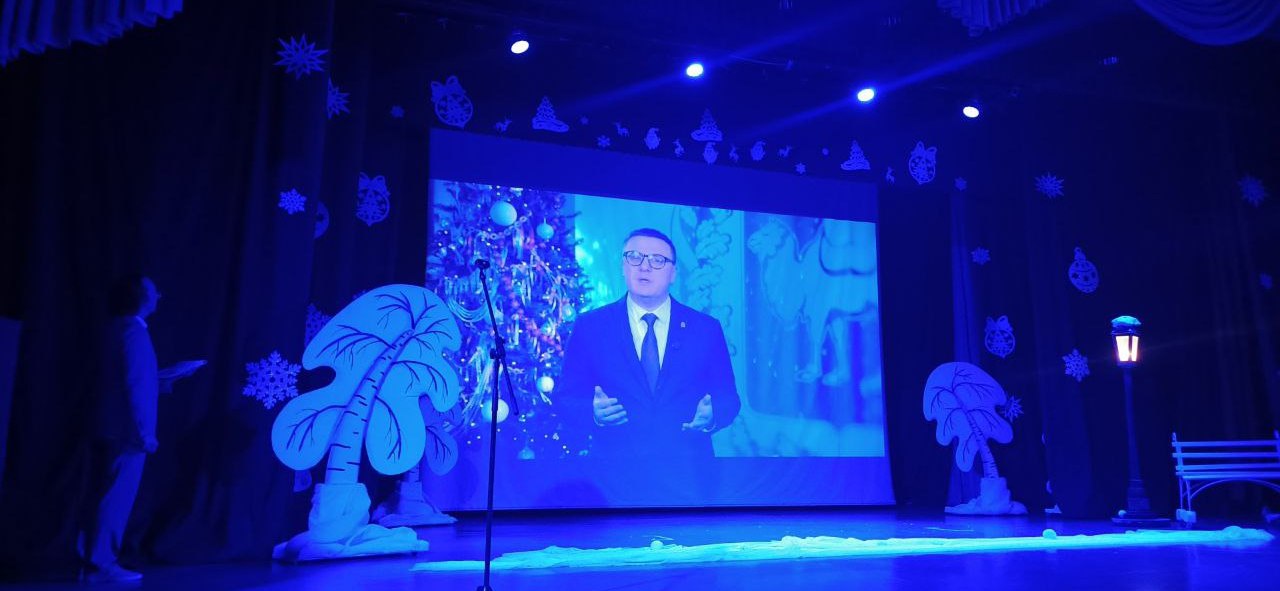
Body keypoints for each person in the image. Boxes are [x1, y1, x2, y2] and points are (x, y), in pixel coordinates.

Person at [558, 228, 740, 460]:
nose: (644, 267)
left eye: (657, 260)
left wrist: (712, 416)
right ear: (623, 266)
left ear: (673, 273)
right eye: (634, 257)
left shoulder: (706, 329)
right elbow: (566, 398)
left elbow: (729, 398)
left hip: (687, 469)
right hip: (615, 470)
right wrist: (592, 413)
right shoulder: (591, 326)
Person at [82, 275, 200, 583]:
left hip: (114, 428)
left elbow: (129, 379)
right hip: (127, 433)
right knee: (115, 498)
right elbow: (133, 385)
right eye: (153, 291)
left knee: (106, 495)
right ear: (140, 296)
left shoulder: (119, 328)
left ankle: (94, 559)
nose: (159, 295)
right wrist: (143, 432)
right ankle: (101, 564)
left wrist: (166, 377)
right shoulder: (133, 331)